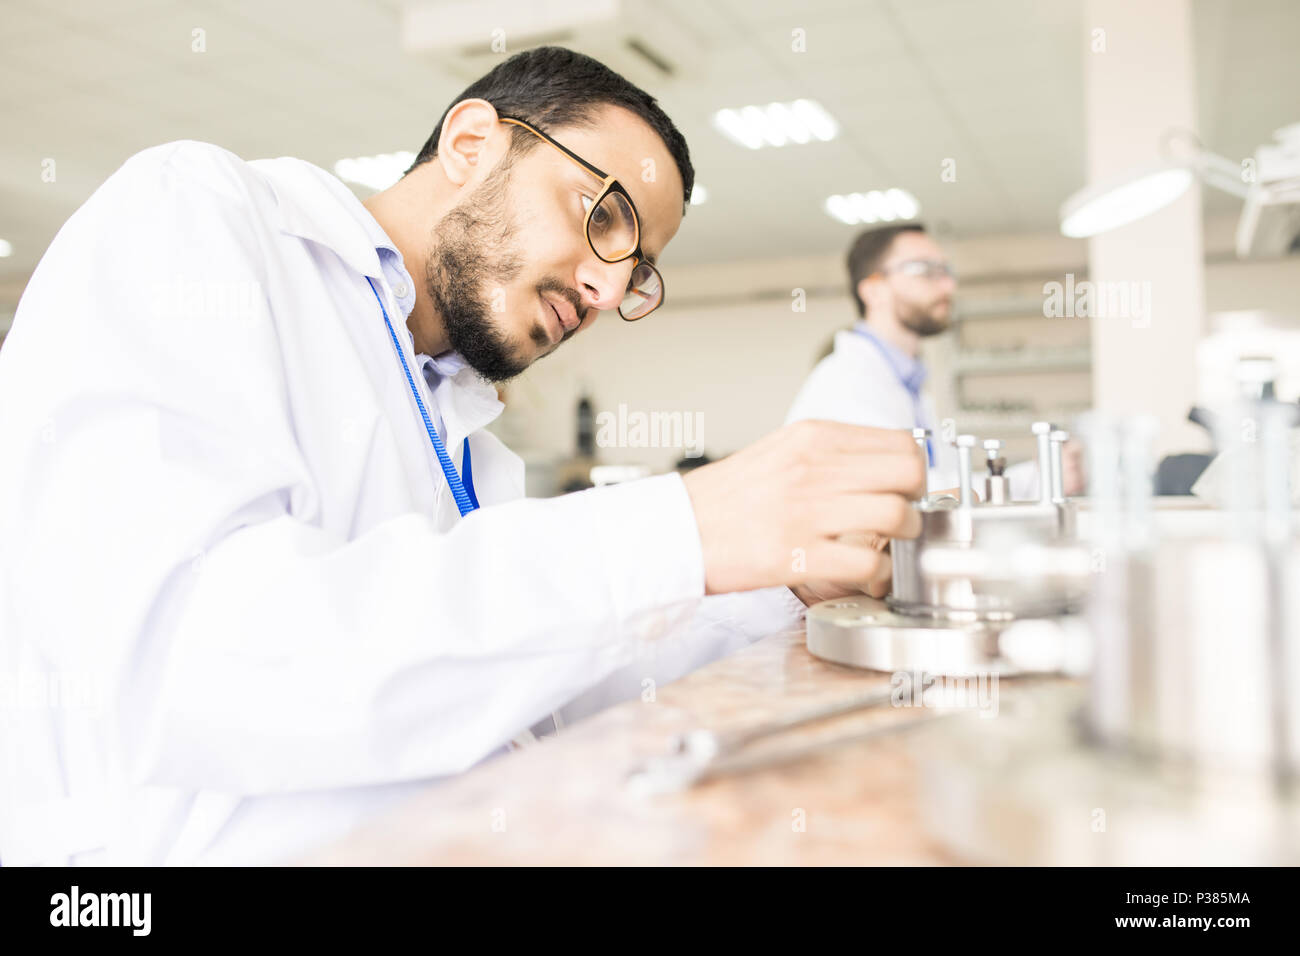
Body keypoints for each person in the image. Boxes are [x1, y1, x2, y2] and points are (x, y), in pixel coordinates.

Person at [0, 47, 925, 865]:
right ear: (472, 143)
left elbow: (516, 675)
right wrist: (680, 526)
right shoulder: (199, 212)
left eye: (637, 269)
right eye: (603, 216)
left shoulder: (460, 415)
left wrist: (770, 580)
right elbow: (190, 661)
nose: (607, 288)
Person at [786, 223, 1083, 497]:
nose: (948, 286)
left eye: (946, 271)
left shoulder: (909, 383)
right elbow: (908, 492)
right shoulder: (845, 382)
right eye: (925, 270)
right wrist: (1034, 480)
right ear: (873, 291)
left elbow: (941, 480)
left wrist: (1039, 478)